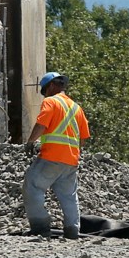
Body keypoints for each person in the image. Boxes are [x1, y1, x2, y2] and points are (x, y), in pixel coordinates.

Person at [23, 71, 91, 239]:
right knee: (68, 196)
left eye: (44, 90)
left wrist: (31, 142)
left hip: (51, 157)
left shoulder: (50, 101)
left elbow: (41, 125)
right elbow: (83, 138)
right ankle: (72, 230)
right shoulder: (77, 108)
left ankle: (40, 226)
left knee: (32, 186)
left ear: (52, 86)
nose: (44, 95)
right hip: (71, 160)